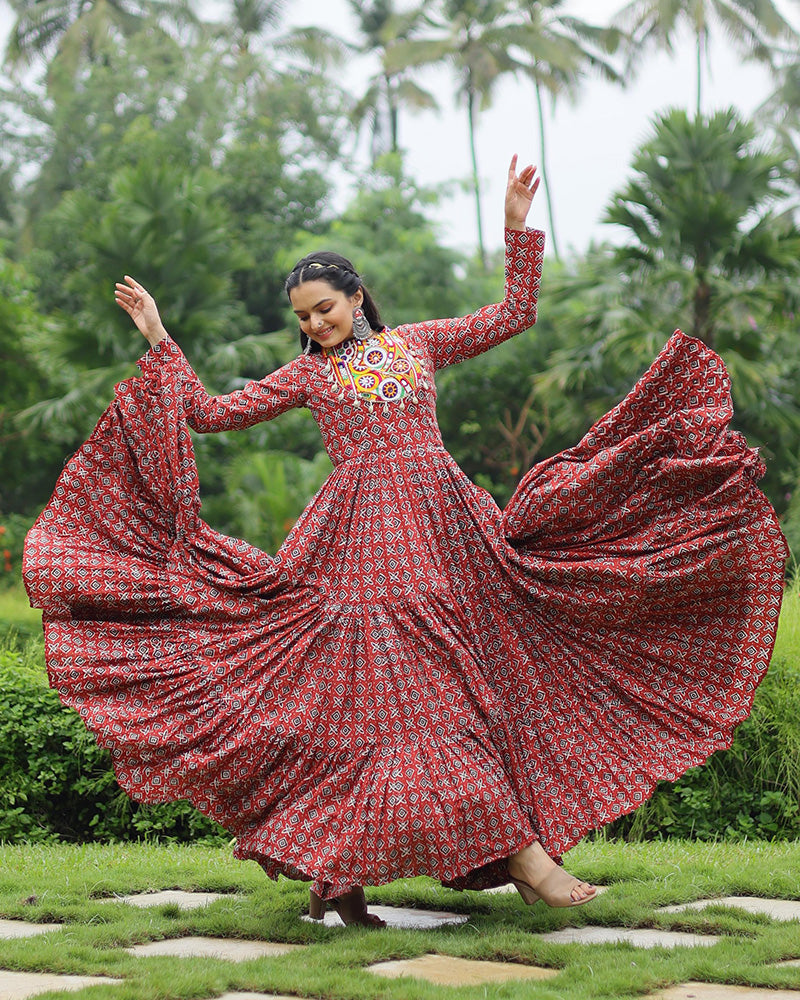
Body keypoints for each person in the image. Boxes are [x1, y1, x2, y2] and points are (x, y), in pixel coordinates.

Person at [24, 156, 786, 928]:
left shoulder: (416, 344)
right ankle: (522, 866)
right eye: (303, 318)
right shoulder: (307, 376)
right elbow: (209, 413)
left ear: (357, 297)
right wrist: (158, 337)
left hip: (448, 526)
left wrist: (516, 229)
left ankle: (339, 875)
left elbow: (513, 314)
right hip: (362, 540)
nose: (315, 325)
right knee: (409, 690)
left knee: (440, 688)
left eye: (325, 309)